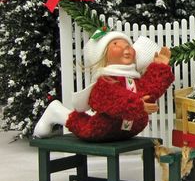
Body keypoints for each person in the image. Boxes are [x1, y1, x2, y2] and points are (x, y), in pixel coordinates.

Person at [33, 30, 174, 142]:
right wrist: (137, 105)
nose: (125, 47)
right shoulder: (105, 82)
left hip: (127, 131)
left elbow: (150, 91)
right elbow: (114, 99)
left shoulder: (133, 80)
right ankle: (56, 111)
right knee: (84, 126)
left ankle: (58, 111)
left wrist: (159, 68)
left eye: (128, 45)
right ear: (104, 55)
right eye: (115, 44)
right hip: (101, 130)